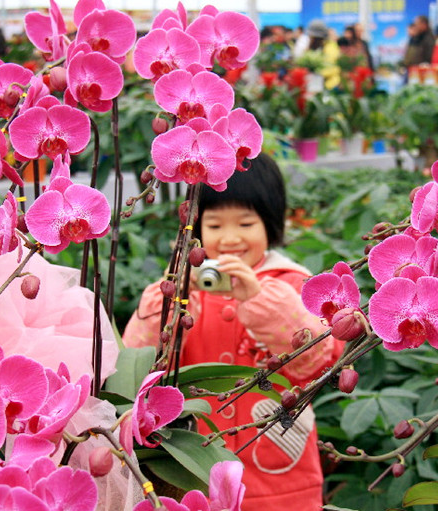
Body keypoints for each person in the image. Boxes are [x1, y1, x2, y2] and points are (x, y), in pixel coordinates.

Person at [122, 154, 341, 510]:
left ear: (269, 225)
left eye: (244, 223)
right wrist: (170, 294)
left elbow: (316, 363)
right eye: (215, 225)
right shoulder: (182, 289)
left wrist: (258, 298)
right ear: (195, 228)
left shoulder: (291, 285)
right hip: (192, 472)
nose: (229, 239)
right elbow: (139, 361)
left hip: (278, 477)